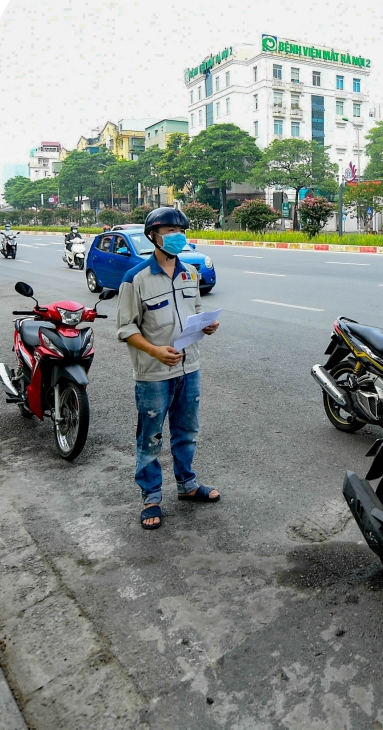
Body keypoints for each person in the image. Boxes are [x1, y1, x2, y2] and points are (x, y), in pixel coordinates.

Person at [115, 207, 220, 531]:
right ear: (153, 236)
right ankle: (151, 497)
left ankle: (187, 485)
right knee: (150, 438)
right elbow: (125, 328)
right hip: (153, 375)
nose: (176, 236)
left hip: (189, 368)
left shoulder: (190, 272)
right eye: (168, 231)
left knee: (187, 433)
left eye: (180, 230)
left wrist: (208, 326)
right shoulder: (135, 279)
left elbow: (197, 311)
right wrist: (155, 351)